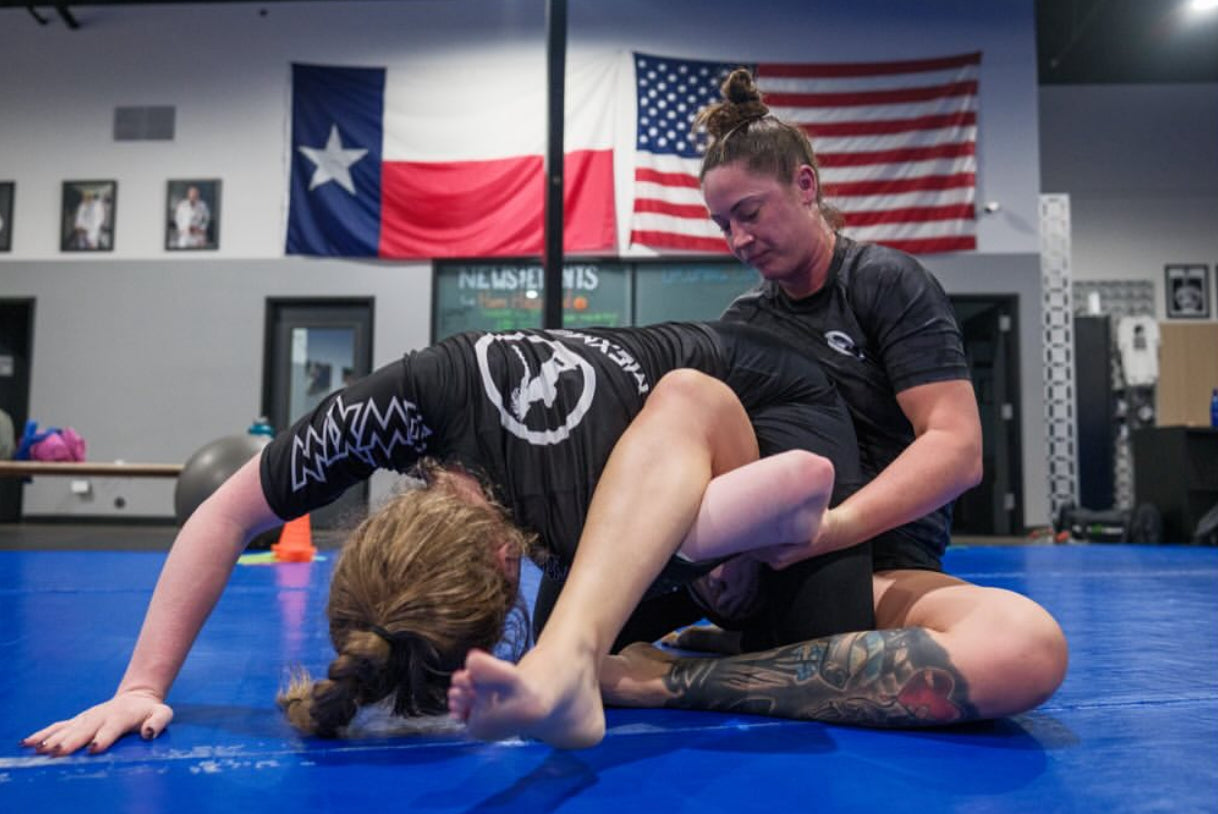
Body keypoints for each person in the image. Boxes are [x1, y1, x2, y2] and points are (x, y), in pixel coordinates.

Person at [22, 319, 872, 755]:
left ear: (509, 565)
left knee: (802, 635)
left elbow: (805, 486)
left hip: (777, 394)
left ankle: (652, 620)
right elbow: (226, 513)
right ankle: (673, 613)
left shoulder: (584, 525)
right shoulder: (403, 412)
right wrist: (137, 685)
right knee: (652, 603)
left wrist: (733, 549)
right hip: (660, 468)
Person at [599, 68, 1068, 727]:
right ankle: (753, 648)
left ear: (806, 185)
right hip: (771, 566)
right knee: (575, 617)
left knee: (1025, 652)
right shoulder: (744, 322)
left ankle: (683, 677)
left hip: (880, 567)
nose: (737, 240)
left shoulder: (882, 282)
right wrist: (719, 558)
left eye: (750, 213)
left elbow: (956, 449)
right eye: (722, 223)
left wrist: (833, 531)